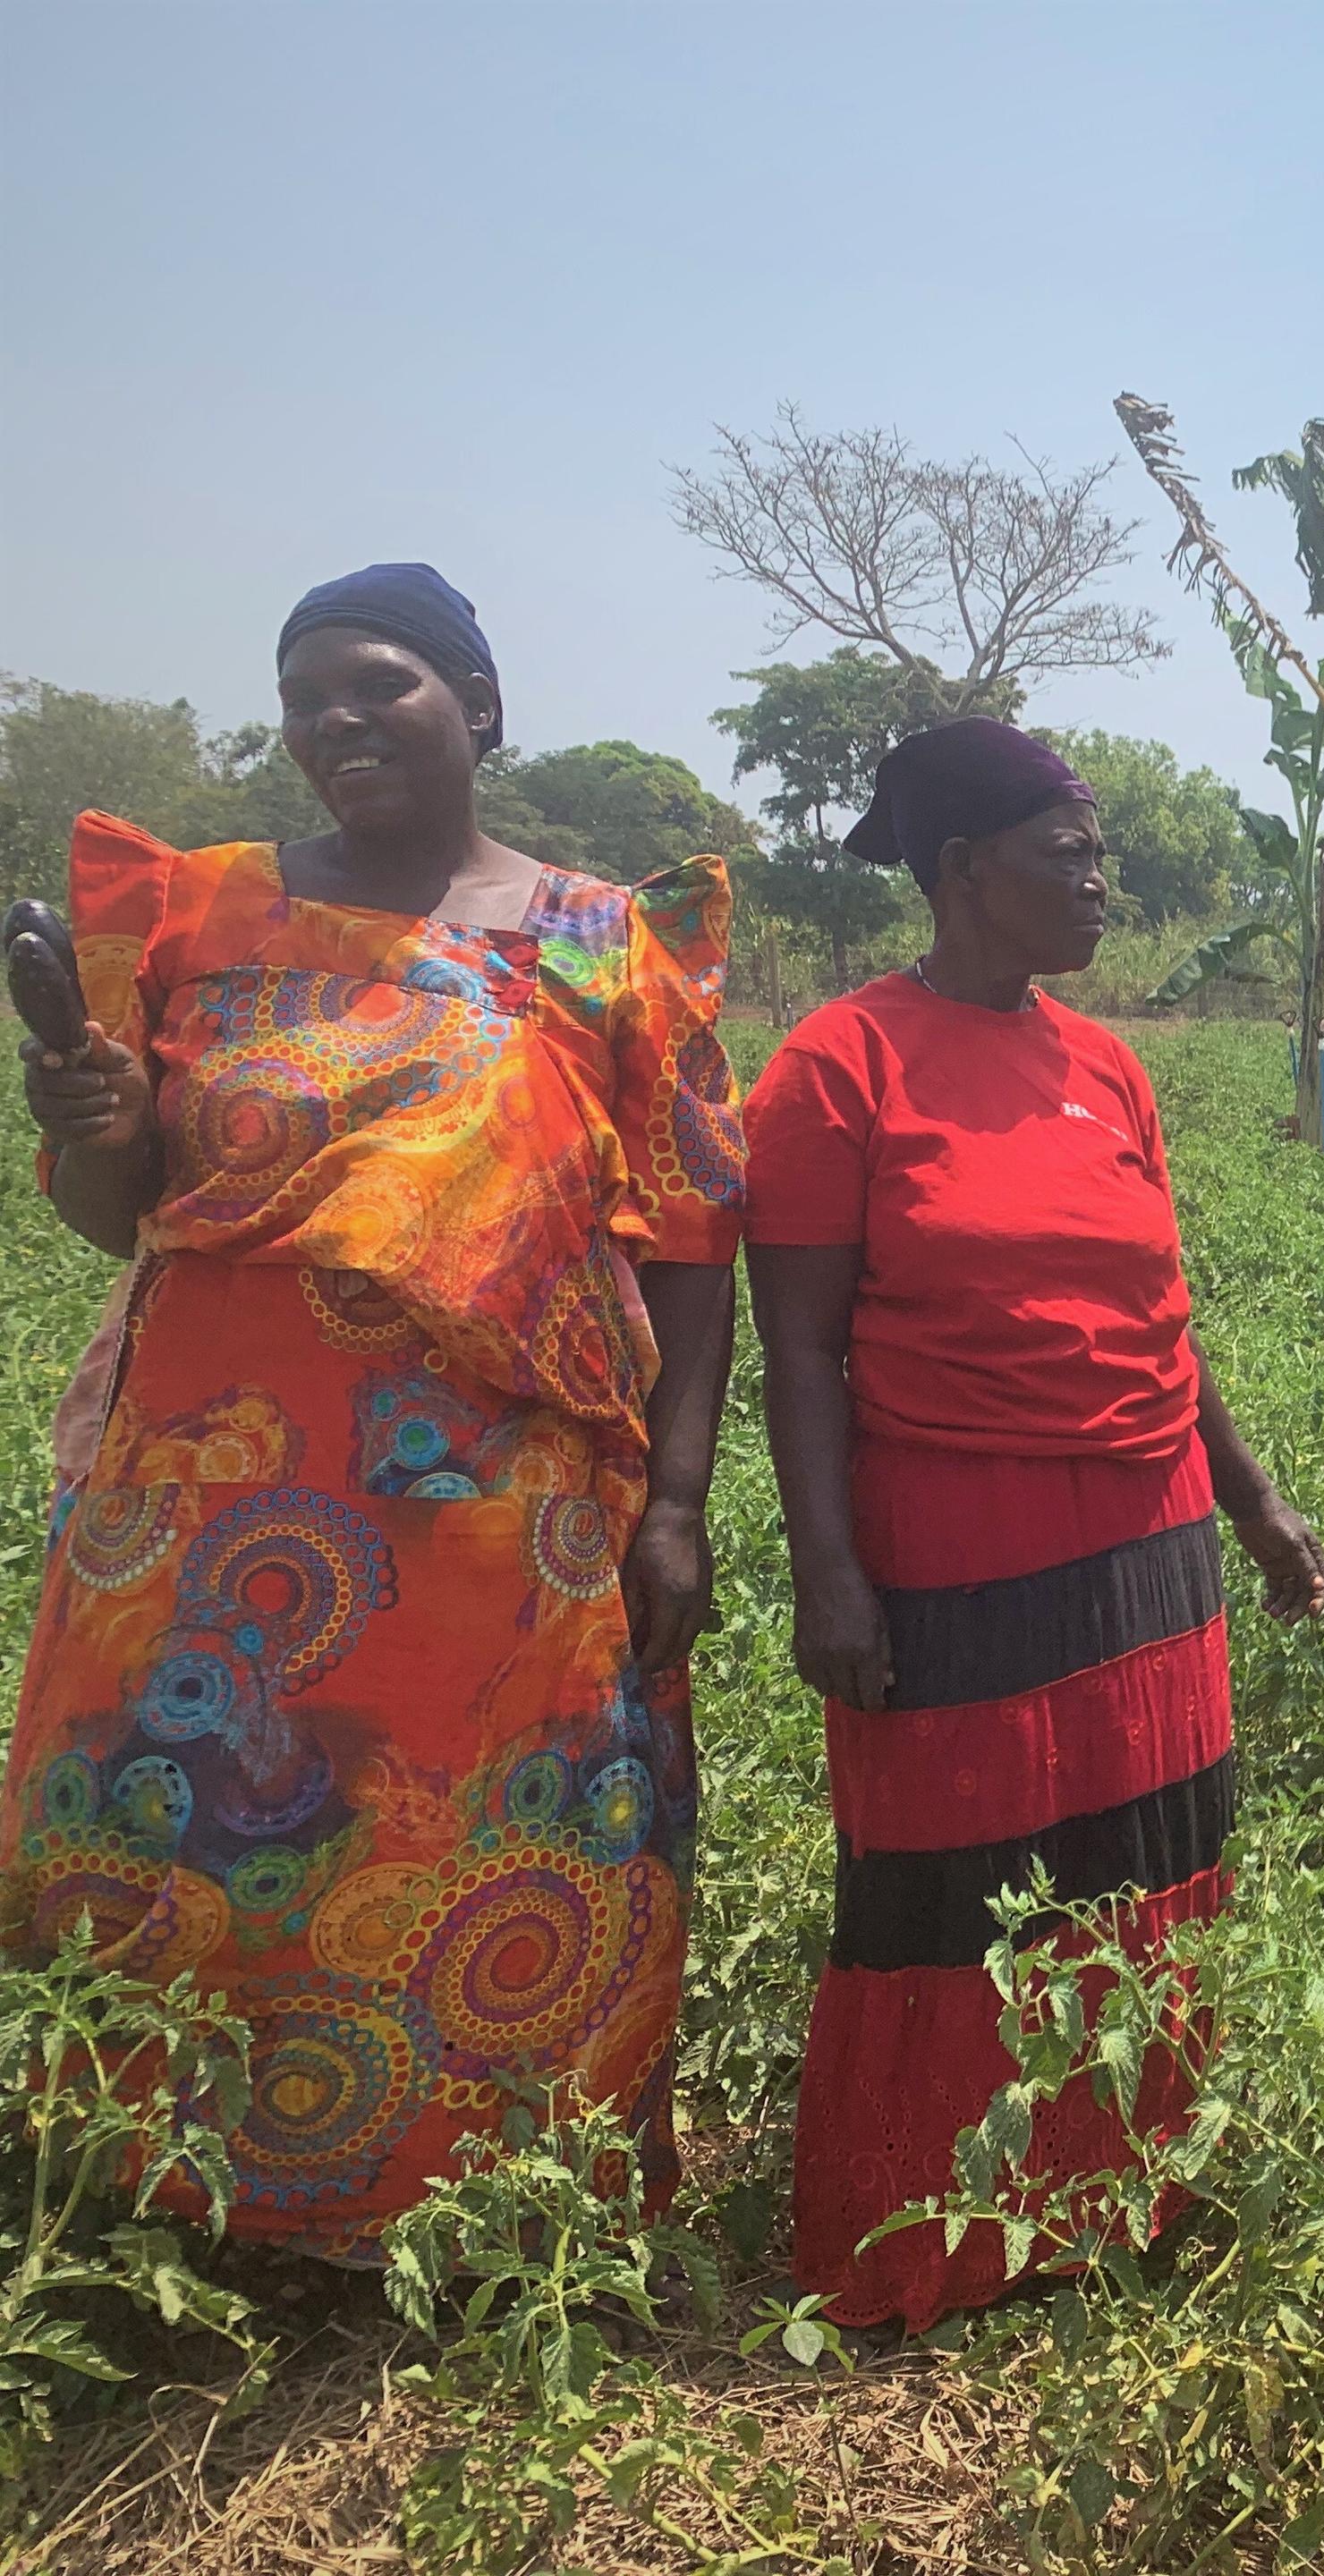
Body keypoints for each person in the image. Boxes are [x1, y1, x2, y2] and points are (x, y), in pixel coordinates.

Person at [3, 564, 743, 2255]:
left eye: (378, 684)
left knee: (489, 1844)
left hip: (502, 1523)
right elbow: (112, 1210)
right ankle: (156, 2202)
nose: (335, 721)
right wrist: (96, 1113)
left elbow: (696, 1237)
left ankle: (479, 2216)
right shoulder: (195, 916)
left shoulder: (601, 942)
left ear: (477, 707)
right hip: (202, 1512)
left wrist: (682, 1498)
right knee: (178, 1821)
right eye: (304, 699)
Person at [741, 716, 1324, 2333]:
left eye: (1097, 854)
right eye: (1065, 854)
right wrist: (830, 1576)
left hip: (1150, 1535)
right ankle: (932, 2228)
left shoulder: (1105, 1061)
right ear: (958, 872)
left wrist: (1257, 1503)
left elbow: (1166, 1313)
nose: (1099, 883)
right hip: (953, 1534)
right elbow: (797, 1346)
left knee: (1144, 1861)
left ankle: (1122, 2189)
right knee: (963, 1881)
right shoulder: (840, 1061)